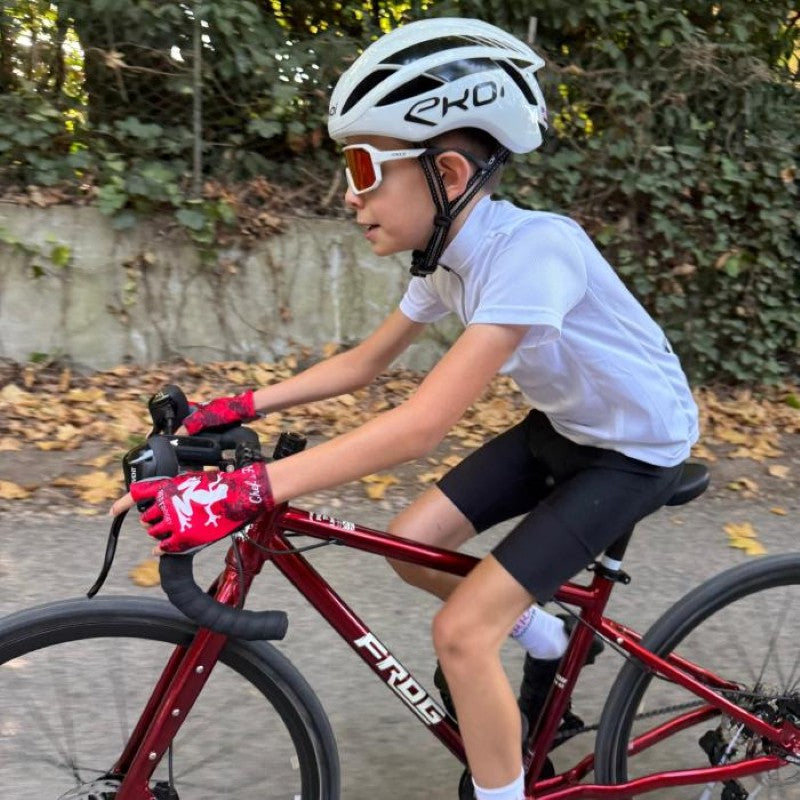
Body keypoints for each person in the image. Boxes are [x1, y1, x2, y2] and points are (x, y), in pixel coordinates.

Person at [112, 17, 699, 800]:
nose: (350, 195)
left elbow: (423, 424)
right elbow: (366, 364)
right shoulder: (446, 261)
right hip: (564, 428)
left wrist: (250, 490)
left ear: (448, 174)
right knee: (411, 543)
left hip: (633, 451)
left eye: (364, 167)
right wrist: (236, 405)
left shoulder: (533, 251)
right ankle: (546, 631)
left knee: (461, 634)